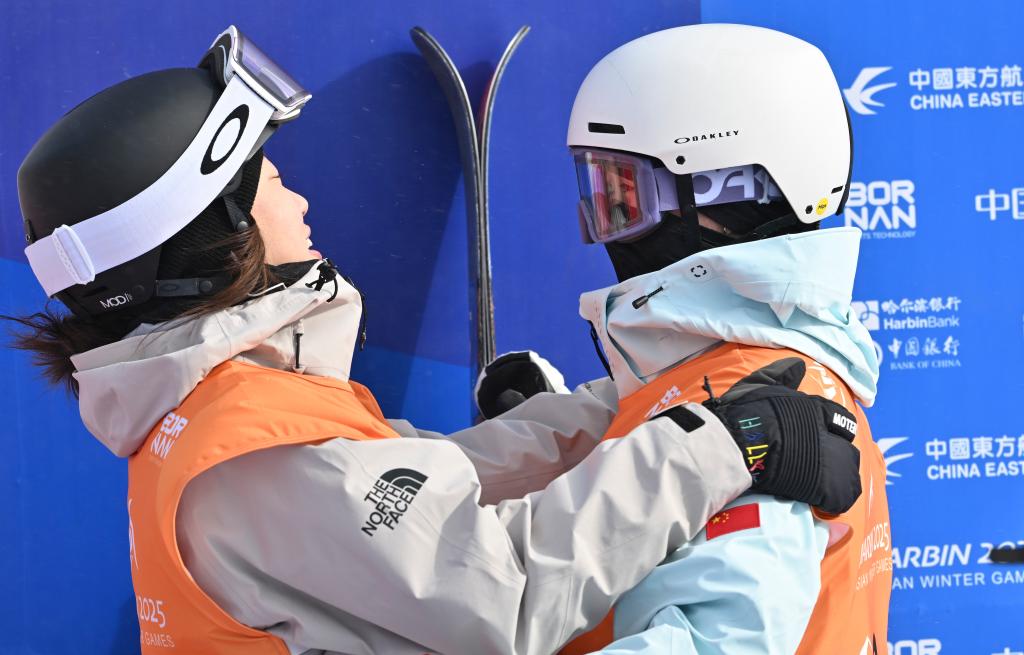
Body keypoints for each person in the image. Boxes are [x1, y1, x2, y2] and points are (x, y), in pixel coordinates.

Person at [9, 26, 864, 655]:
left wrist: (613, 413)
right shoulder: (253, 462)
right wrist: (718, 445)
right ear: (214, 233)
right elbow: (506, 590)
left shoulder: (213, 416)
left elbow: (420, 486)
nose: (298, 202)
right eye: (272, 183)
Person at [545, 24, 891, 655]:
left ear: (729, 187)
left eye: (626, 198)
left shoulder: (763, 417)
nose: (605, 230)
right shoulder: (742, 371)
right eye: (599, 193)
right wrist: (552, 433)